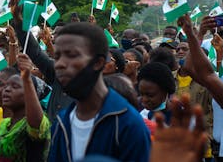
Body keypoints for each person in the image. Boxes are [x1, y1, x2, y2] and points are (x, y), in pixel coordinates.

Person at [48, 22, 151, 162]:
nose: (59, 64)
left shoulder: (127, 123)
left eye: (71, 55)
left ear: (98, 62)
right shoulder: (61, 122)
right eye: (57, 57)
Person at [0, 53, 51, 162]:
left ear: (30, 94)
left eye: (15, 86)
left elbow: (36, 124)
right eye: (6, 86)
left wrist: (27, 79)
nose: (7, 90)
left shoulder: (32, 124)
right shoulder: (5, 124)